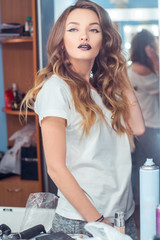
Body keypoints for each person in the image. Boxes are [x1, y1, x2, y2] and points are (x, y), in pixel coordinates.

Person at [22, 0, 145, 239]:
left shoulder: (105, 89)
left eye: (94, 29)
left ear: (104, 40)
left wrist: (119, 72)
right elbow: (56, 169)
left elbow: (137, 127)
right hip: (84, 221)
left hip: (122, 216)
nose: (84, 36)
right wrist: (98, 221)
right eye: (73, 29)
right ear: (61, 39)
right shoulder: (55, 89)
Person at [127, 29, 160, 205]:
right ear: (149, 48)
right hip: (150, 128)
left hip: (135, 128)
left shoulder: (129, 70)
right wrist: (155, 59)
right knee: (153, 169)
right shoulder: (149, 72)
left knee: (141, 169)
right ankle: (150, 208)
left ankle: (142, 208)